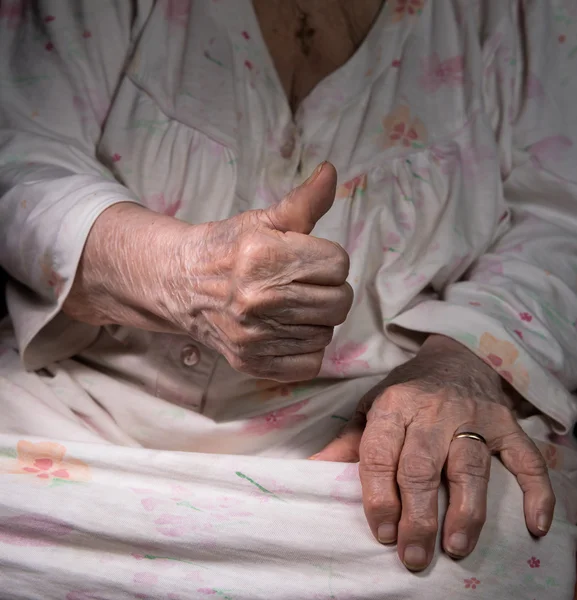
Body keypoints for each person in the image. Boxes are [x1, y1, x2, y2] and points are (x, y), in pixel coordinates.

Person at [0, 0, 576, 597]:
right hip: (76, 406)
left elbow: (559, 217)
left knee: (493, 550)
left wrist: (462, 368)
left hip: (366, 427)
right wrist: (185, 275)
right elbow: (22, 159)